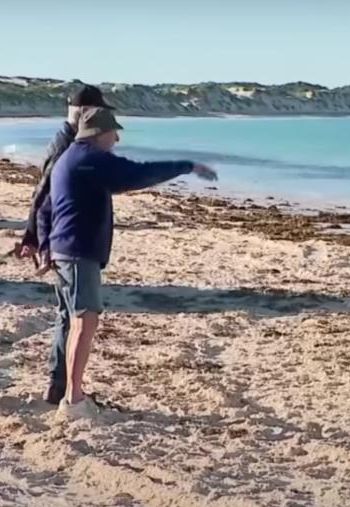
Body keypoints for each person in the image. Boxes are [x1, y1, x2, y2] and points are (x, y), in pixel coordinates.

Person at [39, 107, 218, 418]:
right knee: (84, 321)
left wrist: (44, 245)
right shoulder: (90, 159)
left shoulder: (68, 158)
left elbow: (45, 207)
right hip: (78, 252)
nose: (117, 138)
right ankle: (74, 400)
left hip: (66, 250)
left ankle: (69, 392)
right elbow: (137, 174)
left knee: (76, 321)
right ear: (98, 134)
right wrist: (186, 166)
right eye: (113, 132)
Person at [15, 83, 113, 264]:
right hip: (70, 245)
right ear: (84, 112)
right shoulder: (65, 147)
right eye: (99, 113)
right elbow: (43, 194)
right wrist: (32, 238)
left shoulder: (75, 142)